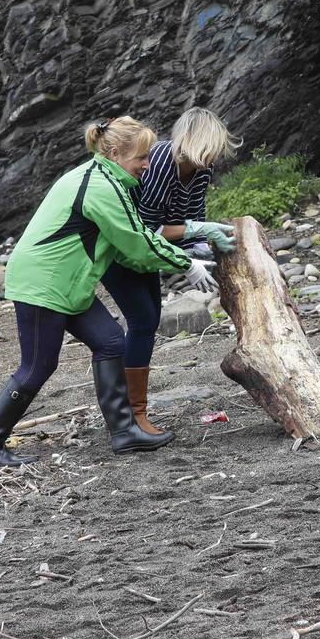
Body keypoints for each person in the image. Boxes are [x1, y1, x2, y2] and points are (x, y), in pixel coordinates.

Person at [0, 115, 209, 468]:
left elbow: (129, 241)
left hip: (67, 282)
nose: (148, 164)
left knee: (111, 341)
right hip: (45, 282)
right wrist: (188, 265)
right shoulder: (101, 188)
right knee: (37, 366)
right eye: (141, 158)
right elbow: (136, 242)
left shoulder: (105, 178)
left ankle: (125, 432)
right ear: (115, 153)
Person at [99, 107, 240, 437]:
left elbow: (187, 224)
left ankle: (131, 412)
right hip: (122, 251)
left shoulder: (201, 170)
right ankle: (131, 415)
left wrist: (203, 246)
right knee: (142, 321)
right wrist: (193, 242)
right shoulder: (161, 160)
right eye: (213, 145)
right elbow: (148, 229)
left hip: (148, 255)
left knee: (147, 321)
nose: (216, 154)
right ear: (196, 139)